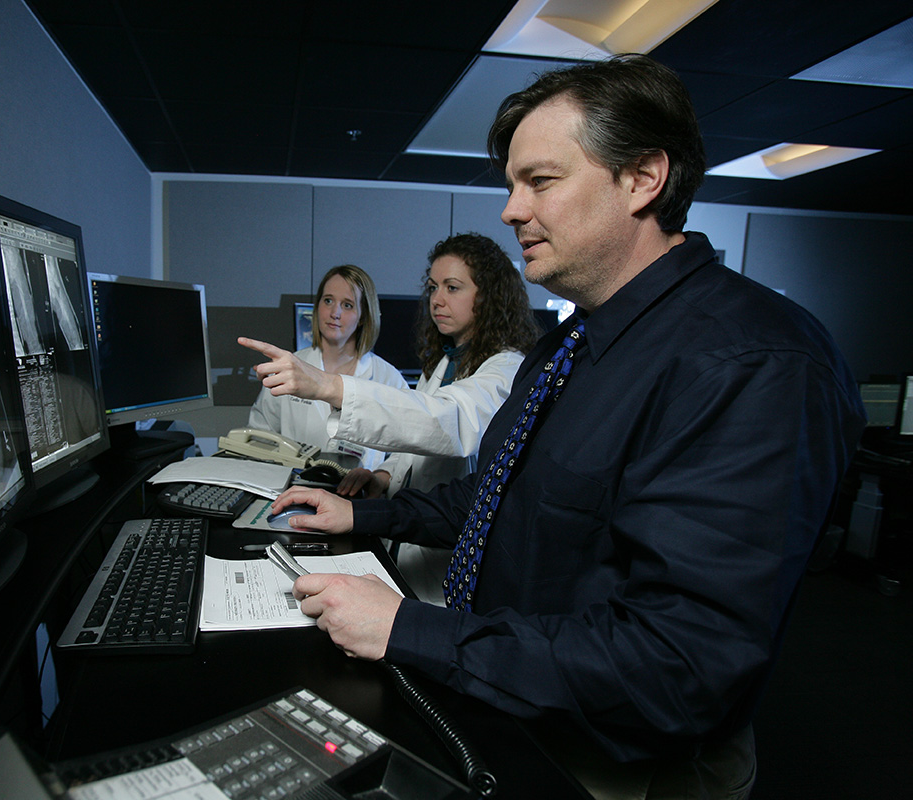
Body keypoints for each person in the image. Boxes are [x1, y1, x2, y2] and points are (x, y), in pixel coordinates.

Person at [265, 54, 866, 799]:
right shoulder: (569, 343)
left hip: (617, 770)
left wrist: (408, 629)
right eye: (512, 186)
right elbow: (498, 497)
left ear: (643, 177)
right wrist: (361, 512)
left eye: (540, 181)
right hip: (509, 705)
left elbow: (679, 663)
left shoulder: (754, 362)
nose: (512, 210)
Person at [241, 232, 539, 605]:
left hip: (443, 550)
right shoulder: (447, 360)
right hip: (402, 530)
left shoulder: (506, 368)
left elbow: (447, 421)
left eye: (453, 287)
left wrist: (328, 387)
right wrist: (383, 476)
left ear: (490, 296)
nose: (437, 300)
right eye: (432, 287)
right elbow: (414, 445)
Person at [245, 264, 407, 470]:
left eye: (347, 305)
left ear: (363, 317)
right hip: (292, 490)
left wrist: (382, 476)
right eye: (328, 300)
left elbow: (406, 452)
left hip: (358, 498)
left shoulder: (388, 379)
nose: (334, 313)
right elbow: (259, 435)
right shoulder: (289, 368)